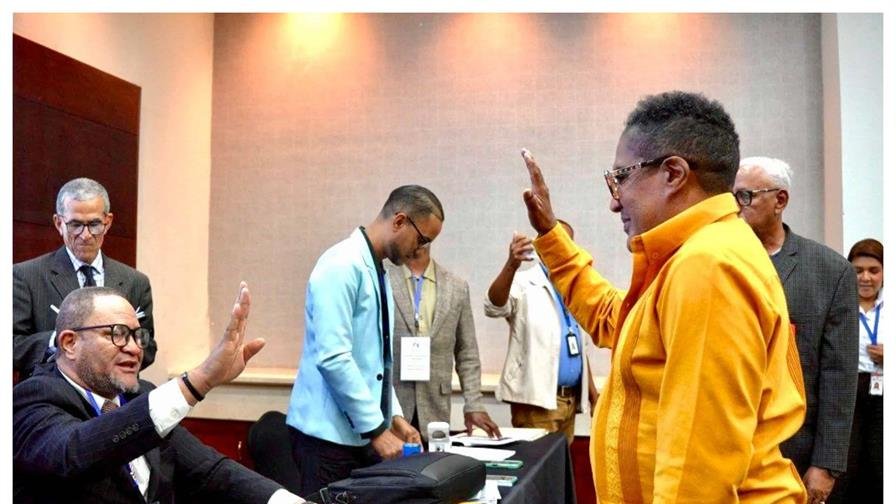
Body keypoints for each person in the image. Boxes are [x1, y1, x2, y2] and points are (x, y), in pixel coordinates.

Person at [517, 91, 807, 502]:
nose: (614, 201)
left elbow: (696, 472)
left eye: (621, 178)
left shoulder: (709, 265)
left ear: (673, 174)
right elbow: (614, 319)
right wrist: (551, 236)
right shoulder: (694, 255)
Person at [13, 283, 305, 503]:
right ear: (69, 343)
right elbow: (75, 453)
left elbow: (209, 470)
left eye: (137, 335)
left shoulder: (142, 395)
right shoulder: (33, 398)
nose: (134, 348)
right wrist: (198, 381)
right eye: (117, 334)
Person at [287, 185, 442, 495]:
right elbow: (333, 358)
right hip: (327, 440)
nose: (420, 250)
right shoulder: (341, 265)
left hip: (356, 435)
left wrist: (394, 417)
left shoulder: (376, 269)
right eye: (422, 239)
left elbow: (376, 362)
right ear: (400, 221)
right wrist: (376, 429)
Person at [734, 157, 858, 504]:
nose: (737, 206)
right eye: (732, 197)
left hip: (793, 451)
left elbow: (839, 375)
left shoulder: (829, 271)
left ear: (780, 200)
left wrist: (826, 465)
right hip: (726, 445)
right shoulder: (715, 262)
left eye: (746, 196)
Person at [14, 177, 156, 378]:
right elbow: (12, 345)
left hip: (115, 393)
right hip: (51, 391)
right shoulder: (26, 276)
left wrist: (114, 351)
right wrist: (59, 341)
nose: (86, 235)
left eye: (94, 224)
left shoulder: (135, 282)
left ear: (108, 222)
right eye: (75, 225)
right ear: (59, 223)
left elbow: (148, 347)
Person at [484, 221, 598, 444]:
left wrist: (592, 394)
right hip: (537, 402)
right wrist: (511, 265)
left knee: (561, 465)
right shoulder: (523, 283)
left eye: (568, 244)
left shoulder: (573, 287)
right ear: (543, 245)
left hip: (569, 400)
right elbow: (493, 307)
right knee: (541, 465)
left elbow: (577, 348)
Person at [387, 244, 501, 440]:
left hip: (435, 410)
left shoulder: (456, 287)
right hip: (390, 410)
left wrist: (473, 404)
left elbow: (467, 352)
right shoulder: (382, 279)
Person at [829, 238, 884, 503]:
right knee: (847, 465)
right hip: (847, 392)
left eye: (874, 270)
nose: (865, 278)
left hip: (884, 392)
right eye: (857, 270)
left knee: (880, 464)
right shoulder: (838, 304)